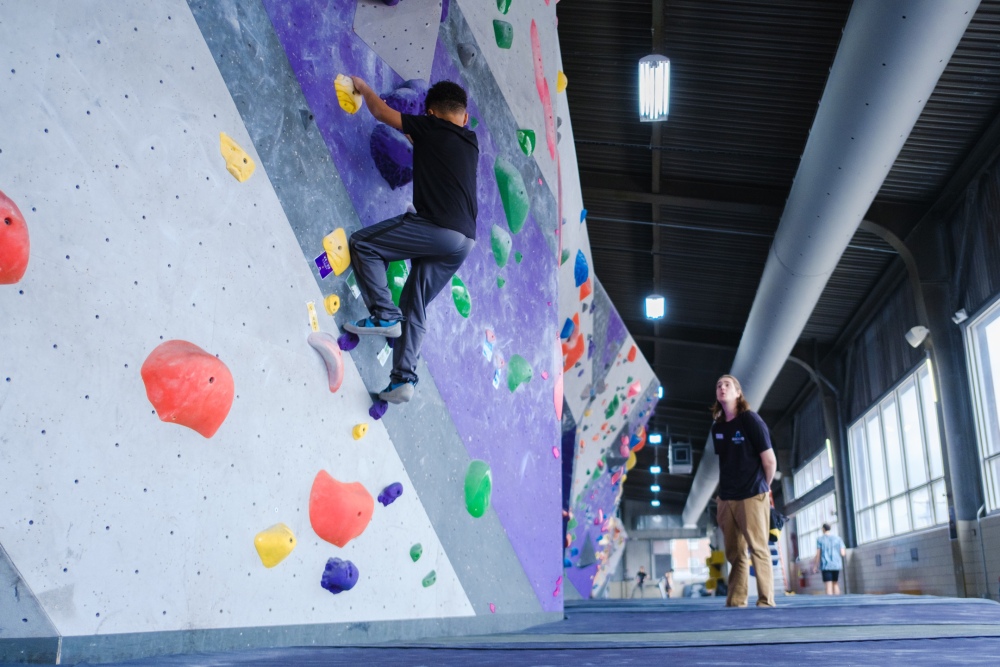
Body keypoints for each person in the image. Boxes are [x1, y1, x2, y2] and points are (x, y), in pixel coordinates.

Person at [343, 77, 478, 404]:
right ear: (464, 117)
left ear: (430, 113)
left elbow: (380, 112)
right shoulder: (470, 140)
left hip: (437, 227)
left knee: (365, 245)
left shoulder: (429, 128)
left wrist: (363, 87)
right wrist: (421, 132)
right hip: (464, 242)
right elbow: (437, 149)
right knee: (415, 303)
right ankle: (403, 378)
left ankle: (384, 314)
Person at [712, 374, 778, 608]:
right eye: (719, 385)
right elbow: (727, 463)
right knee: (735, 554)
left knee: (758, 549)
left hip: (752, 494)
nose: (722, 388)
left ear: (738, 393)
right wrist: (722, 498)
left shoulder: (751, 420)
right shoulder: (717, 427)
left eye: (727, 384)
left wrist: (763, 488)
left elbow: (769, 461)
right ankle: (737, 601)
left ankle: (765, 601)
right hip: (727, 498)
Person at [812, 523, 846, 595]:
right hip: (836, 565)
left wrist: (815, 566)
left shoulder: (820, 540)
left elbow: (818, 554)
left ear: (823, 529)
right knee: (835, 583)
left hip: (826, 565)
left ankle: (830, 605)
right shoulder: (838, 539)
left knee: (828, 585)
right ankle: (839, 603)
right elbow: (843, 553)